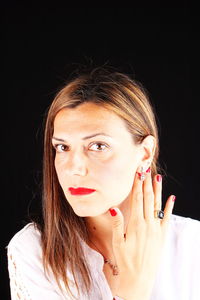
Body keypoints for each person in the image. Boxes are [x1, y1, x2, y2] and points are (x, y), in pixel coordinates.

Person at [7, 66, 200, 300]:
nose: (74, 168)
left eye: (98, 146)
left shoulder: (193, 245)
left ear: (146, 153)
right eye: (62, 147)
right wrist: (132, 294)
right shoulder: (36, 251)